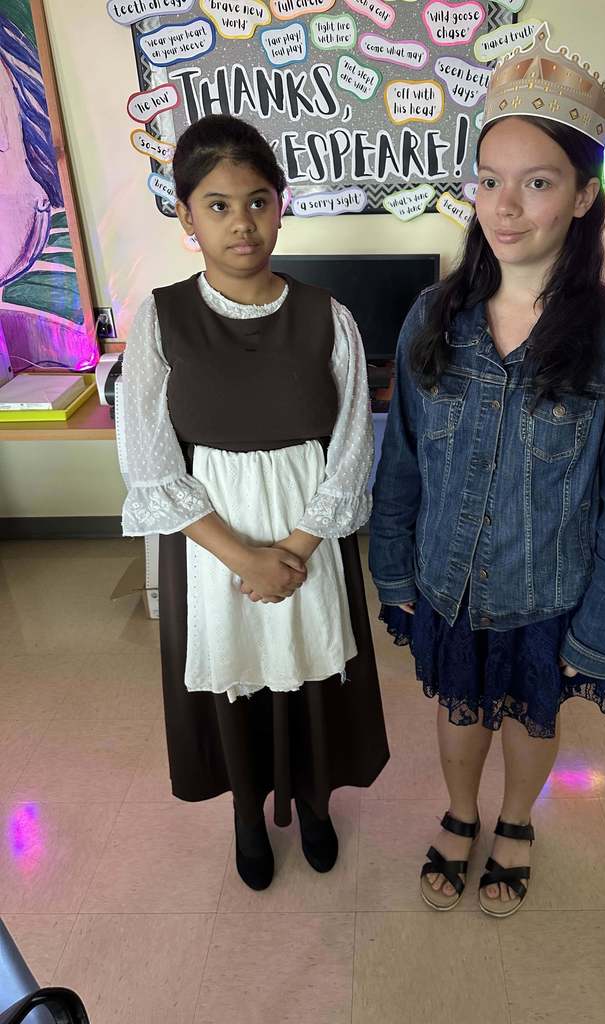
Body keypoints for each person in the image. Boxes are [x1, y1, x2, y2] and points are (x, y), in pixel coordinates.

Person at [369, 24, 605, 918]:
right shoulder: (433, 315)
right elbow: (404, 464)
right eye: (489, 180)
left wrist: (602, 635)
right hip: (448, 583)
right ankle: (459, 812)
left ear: (583, 197)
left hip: (548, 591)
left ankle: (514, 822)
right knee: (459, 709)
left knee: (529, 716)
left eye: (536, 183)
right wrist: (394, 575)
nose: (504, 207)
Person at [116, 114, 389, 892]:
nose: (243, 222)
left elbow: (350, 445)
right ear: (186, 217)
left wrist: (295, 551)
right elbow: (150, 459)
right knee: (237, 677)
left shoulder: (326, 315)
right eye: (219, 204)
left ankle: (313, 803)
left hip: (309, 535)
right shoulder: (161, 322)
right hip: (214, 546)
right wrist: (243, 557)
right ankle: (245, 812)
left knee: (310, 679)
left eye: (259, 200)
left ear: (282, 204)